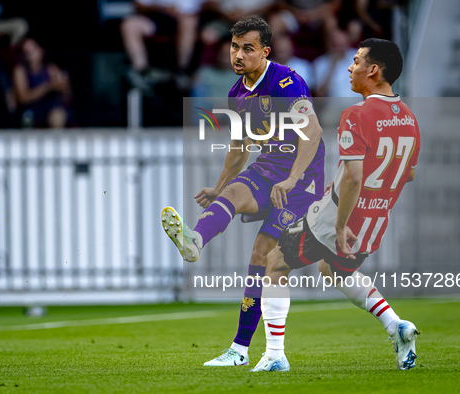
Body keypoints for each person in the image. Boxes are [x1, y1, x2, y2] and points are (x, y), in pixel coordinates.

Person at [161, 16, 325, 367]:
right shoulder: (238, 92)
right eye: (235, 47)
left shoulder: (286, 81)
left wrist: (293, 179)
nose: (238, 55)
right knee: (232, 195)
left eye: (247, 48)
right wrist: (218, 188)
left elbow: (312, 132)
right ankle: (194, 242)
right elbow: (238, 147)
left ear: (265, 51)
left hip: (302, 180)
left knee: (261, 257)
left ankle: (247, 349)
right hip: (269, 168)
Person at [253, 38, 421, 372]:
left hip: (337, 218)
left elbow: (353, 178)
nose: (350, 66)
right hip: (375, 220)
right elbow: (409, 174)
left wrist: (341, 224)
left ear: (373, 70)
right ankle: (396, 325)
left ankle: (274, 355)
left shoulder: (357, 114)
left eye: (357, 60)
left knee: (274, 263)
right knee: (333, 269)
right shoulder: (409, 119)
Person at [13, 37, 70, 128]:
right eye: (27, 52)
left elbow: (66, 92)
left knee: (58, 115)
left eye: (33, 50)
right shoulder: (20, 71)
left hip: (49, 109)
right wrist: (49, 86)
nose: (30, 54)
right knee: (27, 120)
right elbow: (23, 97)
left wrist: (64, 84)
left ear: (41, 51)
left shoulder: (51, 68)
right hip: (30, 111)